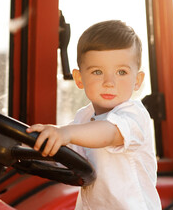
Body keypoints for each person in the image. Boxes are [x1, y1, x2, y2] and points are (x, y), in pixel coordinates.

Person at [27, 20, 161, 210]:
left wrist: (65, 132)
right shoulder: (84, 117)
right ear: (79, 78)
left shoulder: (134, 115)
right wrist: (30, 143)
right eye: (97, 71)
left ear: (137, 80)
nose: (109, 82)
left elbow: (110, 133)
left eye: (121, 72)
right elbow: (65, 156)